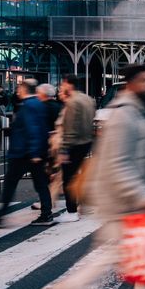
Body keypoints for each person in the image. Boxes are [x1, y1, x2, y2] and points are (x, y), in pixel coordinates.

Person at [48, 64, 145, 289]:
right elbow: (118, 163)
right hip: (122, 201)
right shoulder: (124, 114)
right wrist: (144, 195)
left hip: (128, 199)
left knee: (130, 259)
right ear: (132, 83)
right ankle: (65, 288)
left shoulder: (135, 109)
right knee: (122, 256)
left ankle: (65, 288)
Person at [0, 79, 54, 228]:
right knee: (41, 184)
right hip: (34, 152)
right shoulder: (39, 103)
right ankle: (46, 214)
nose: (17, 91)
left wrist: (34, 152)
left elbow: (32, 129)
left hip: (23, 153)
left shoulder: (28, 106)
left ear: (25, 89)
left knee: (10, 185)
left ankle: (0, 217)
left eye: (19, 88)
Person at [53, 74, 95, 222]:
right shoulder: (88, 100)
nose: (62, 87)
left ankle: (71, 211)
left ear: (68, 84)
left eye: (63, 83)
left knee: (69, 179)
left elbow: (70, 128)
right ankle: (86, 204)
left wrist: (64, 150)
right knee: (80, 177)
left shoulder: (72, 102)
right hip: (87, 142)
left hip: (74, 144)